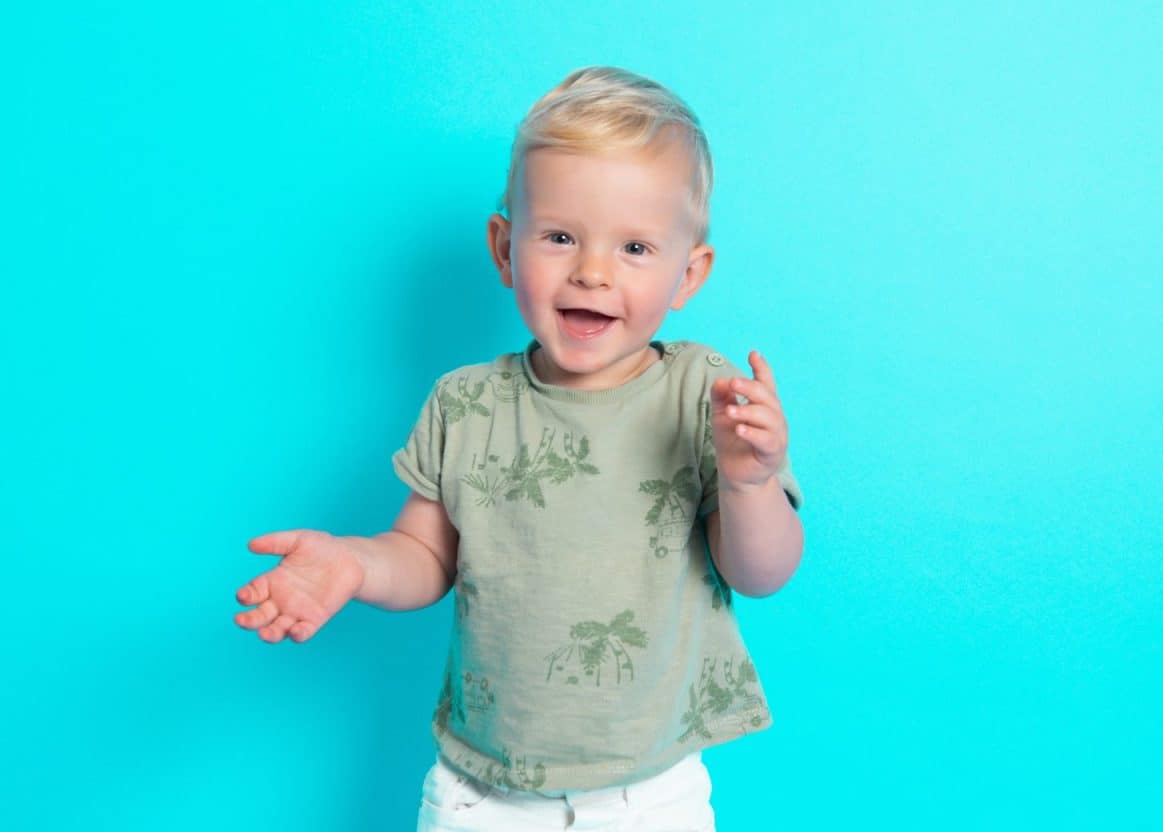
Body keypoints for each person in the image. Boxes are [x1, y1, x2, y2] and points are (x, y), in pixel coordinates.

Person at [234, 65, 805, 831]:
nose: (593, 271)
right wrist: (357, 564)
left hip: (649, 791)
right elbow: (426, 556)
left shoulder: (703, 396)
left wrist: (750, 483)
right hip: (485, 793)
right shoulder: (467, 404)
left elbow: (759, 573)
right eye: (561, 236)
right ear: (506, 249)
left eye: (635, 247)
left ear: (687, 273)